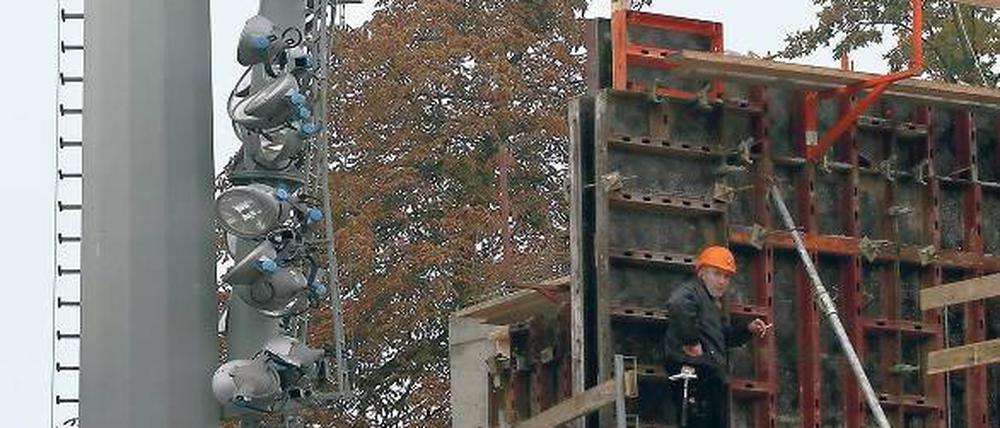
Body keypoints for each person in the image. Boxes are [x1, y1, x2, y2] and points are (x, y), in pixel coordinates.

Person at [663, 245, 771, 427]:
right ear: (702, 273)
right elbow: (676, 304)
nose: (722, 281)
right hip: (694, 374)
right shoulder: (692, 292)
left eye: (727, 277)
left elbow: (721, 337)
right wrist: (692, 341)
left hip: (709, 376)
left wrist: (747, 329)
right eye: (717, 274)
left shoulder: (710, 304)